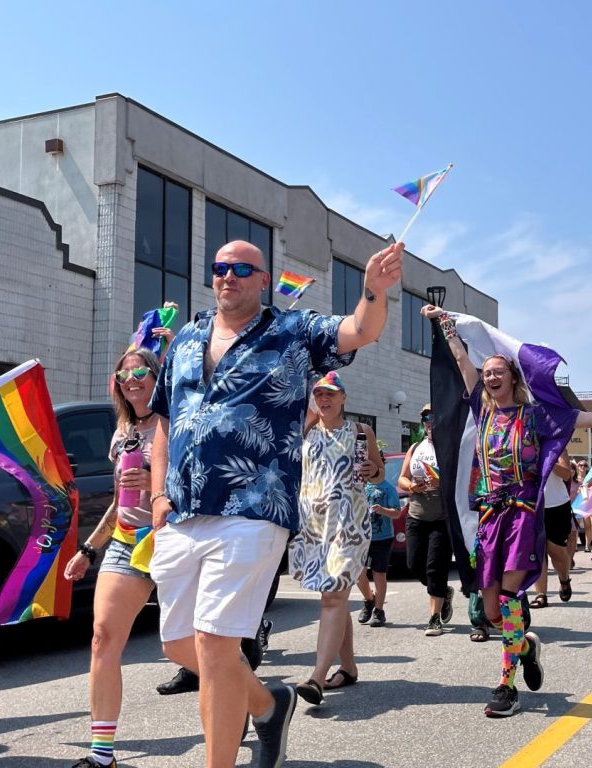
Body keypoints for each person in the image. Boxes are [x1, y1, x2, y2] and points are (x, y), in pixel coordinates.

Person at [148, 238, 402, 768]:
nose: (228, 277)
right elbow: (165, 424)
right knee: (179, 646)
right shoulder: (187, 339)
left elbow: (359, 331)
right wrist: (156, 496)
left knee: (215, 646)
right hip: (184, 512)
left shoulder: (291, 331)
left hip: (254, 508)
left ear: (263, 279)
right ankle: (268, 704)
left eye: (242, 268)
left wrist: (373, 292)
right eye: (220, 268)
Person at [421, 304, 592, 719]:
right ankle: (527, 647)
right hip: (490, 519)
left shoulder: (535, 416)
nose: (490, 376)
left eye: (498, 371)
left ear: (513, 377)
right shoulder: (482, 410)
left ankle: (506, 686)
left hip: (522, 516)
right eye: (487, 372)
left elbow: (591, 418)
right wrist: (445, 324)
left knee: (510, 600)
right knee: (492, 612)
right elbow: (462, 361)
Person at [64, 348, 163, 768]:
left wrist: (157, 480)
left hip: (174, 538)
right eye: (124, 375)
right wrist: (90, 547)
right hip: (128, 541)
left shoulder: (174, 422)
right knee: (102, 636)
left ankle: (255, 698)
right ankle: (102, 755)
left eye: (141, 371)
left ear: (158, 377)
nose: (133, 379)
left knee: (193, 646)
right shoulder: (122, 430)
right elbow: (120, 501)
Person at [289, 373, 382, 704]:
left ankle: (316, 678)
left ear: (343, 397)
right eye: (319, 394)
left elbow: (378, 471)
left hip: (349, 525)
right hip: (314, 528)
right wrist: (310, 416)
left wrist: (372, 470)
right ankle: (349, 666)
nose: (324, 399)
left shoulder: (360, 431)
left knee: (332, 597)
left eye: (330, 394)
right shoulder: (306, 430)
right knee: (335, 599)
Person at [398, 403, 455, 636]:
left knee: (435, 567)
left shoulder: (450, 447)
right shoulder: (415, 447)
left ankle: (434, 618)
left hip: (442, 518)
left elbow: (463, 480)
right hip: (416, 515)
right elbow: (402, 478)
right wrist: (411, 486)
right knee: (414, 564)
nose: (429, 421)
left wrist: (444, 483)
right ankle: (443, 591)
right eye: (425, 417)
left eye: (433, 416)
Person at [357, 451, 402, 628]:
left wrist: (383, 510)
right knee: (358, 572)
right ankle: (369, 599)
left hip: (383, 537)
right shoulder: (360, 487)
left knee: (379, 573)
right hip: (361, 536)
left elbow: (397, 513)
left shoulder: (388, 488)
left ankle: (379, 610)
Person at [532, 450, 577, 606]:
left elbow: (566, 474)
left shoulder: (556, 447)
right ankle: (540, 594)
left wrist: (548, 462)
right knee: (537, 549)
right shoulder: (522, 446)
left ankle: (564, 578)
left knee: (555, 550)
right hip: (532, 505)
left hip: (556, 505)